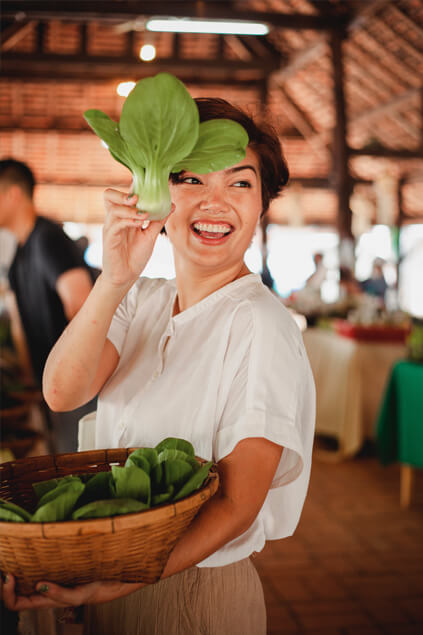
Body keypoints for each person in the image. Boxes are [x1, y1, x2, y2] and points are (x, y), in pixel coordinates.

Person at [1, 99, 316, 634]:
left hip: (191, 594)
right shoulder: (138, 298)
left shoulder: (261, 324)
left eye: (240, 184)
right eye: (190, 178)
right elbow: (61, 392)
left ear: (263, 203)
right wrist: (115, 276)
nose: (215, 203)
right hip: (115, 579)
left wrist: (124, 578)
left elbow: (238, 503)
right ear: (154, 194)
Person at [0, 159, 96, 453]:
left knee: (77, 463)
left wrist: (68, 374)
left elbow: (81, 303)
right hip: (52, 389)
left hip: (76, 385)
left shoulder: (48, 238)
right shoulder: (18, 256)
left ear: (14, 194)